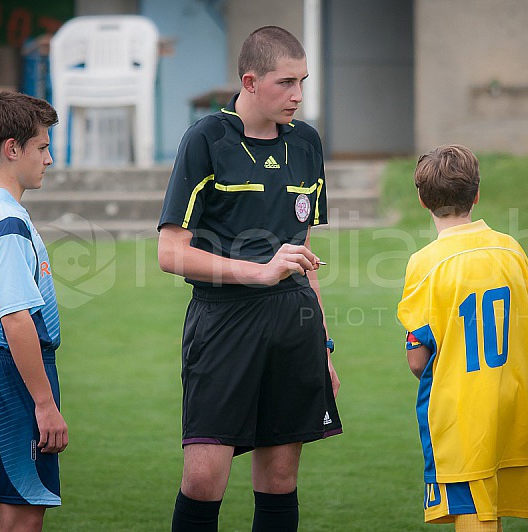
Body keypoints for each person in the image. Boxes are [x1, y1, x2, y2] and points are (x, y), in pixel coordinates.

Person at [157, 25, 342, 532]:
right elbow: (170, 252)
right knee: (202, 478)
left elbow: (304, 253)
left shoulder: (306, 142)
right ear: (250, 81)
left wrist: (324, 345)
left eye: (302, 81)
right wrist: (256, 273)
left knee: (281, 477)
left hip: (294, 325)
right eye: (286, 83)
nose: (298, 95)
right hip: (224, 324)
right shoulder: (206, 139)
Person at [397, 145, 528, 531]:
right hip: (514, 412)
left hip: (463, 418)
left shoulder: (424, 262)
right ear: (477, 194)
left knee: (476, 520)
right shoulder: (512, 249)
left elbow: (418, 359)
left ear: (422, 200)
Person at [0, 92, 68, 532]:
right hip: (15, 374)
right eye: (42, 147)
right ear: (12, 148)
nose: (49, 158)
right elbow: (16, 318)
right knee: (22, 514)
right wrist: (44, 403)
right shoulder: (7, 223)